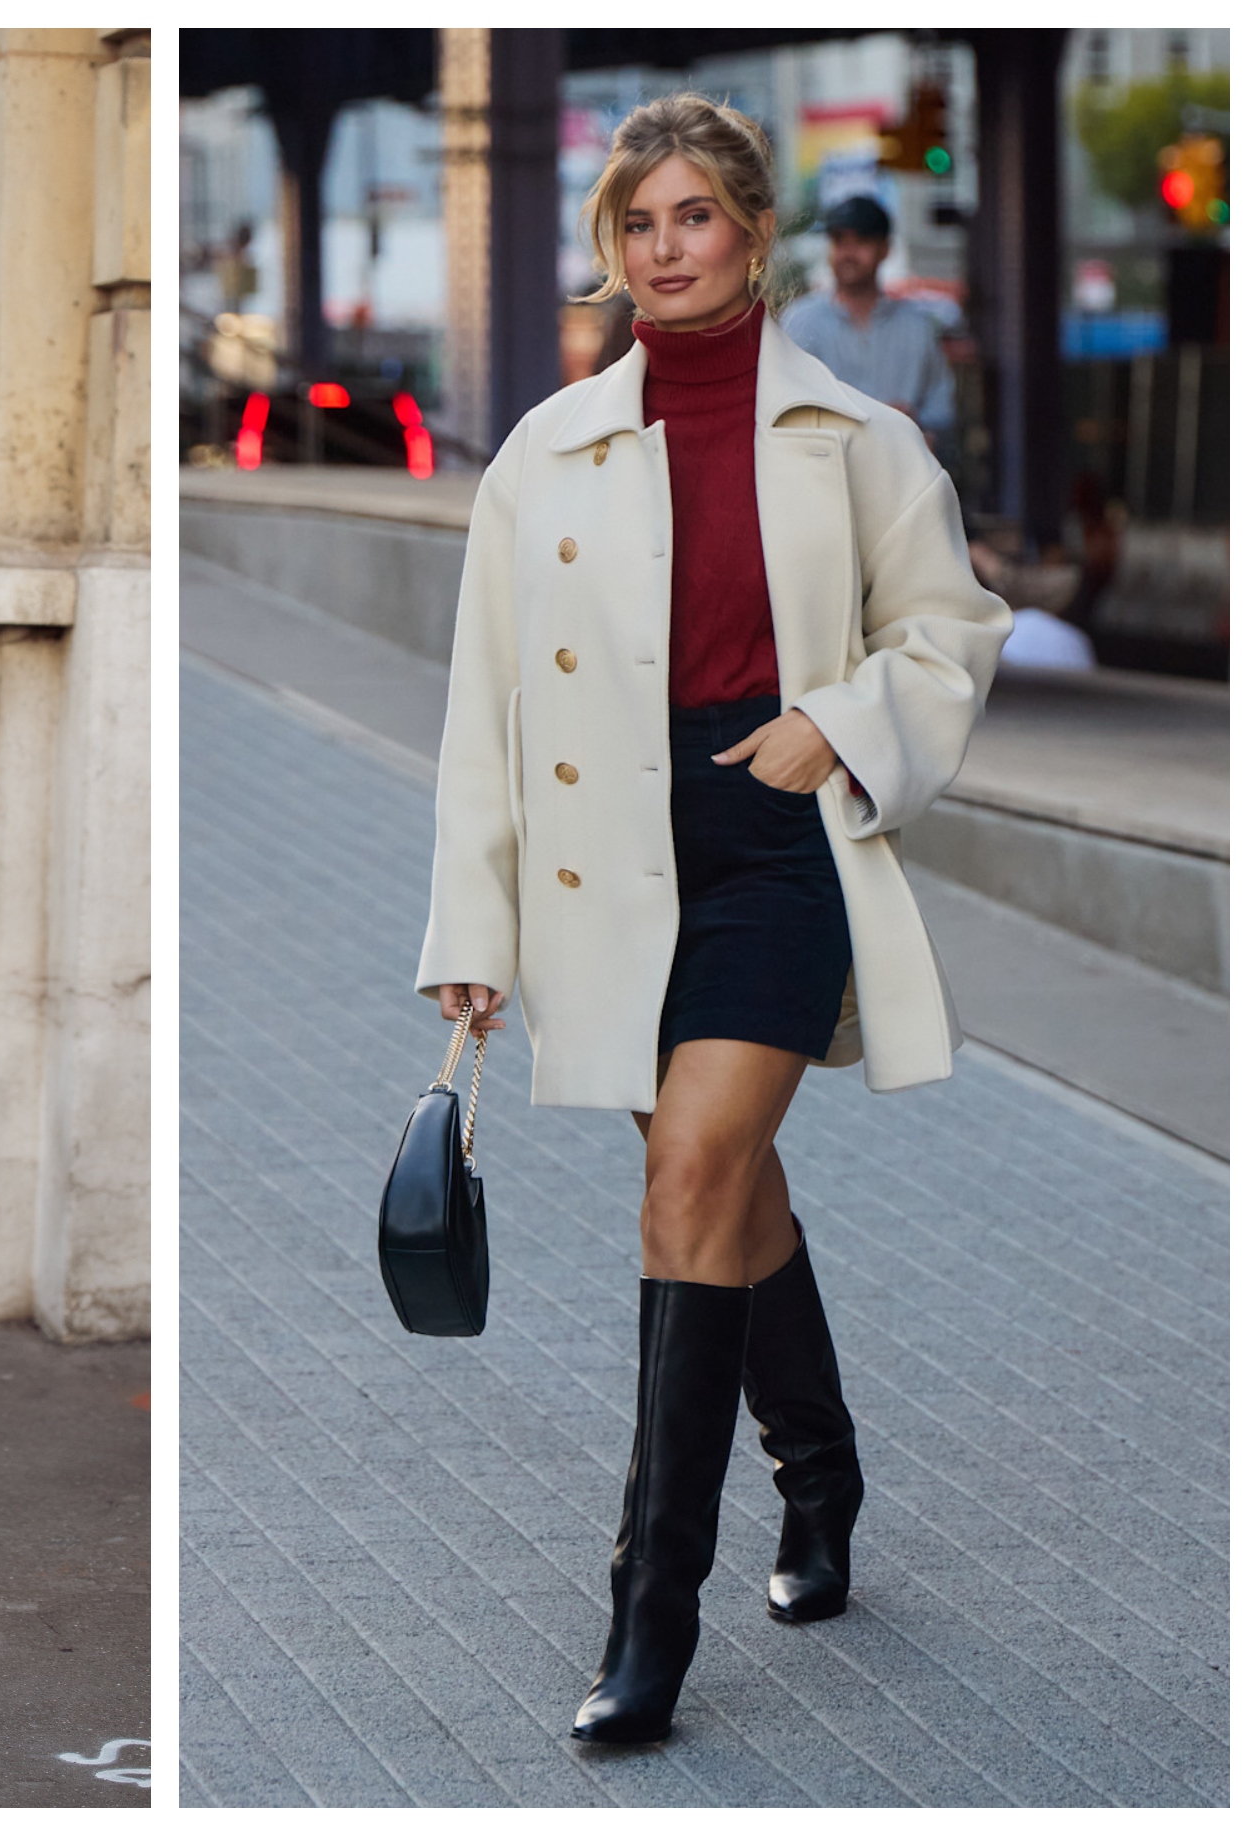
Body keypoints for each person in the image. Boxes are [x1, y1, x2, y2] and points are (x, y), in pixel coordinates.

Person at [417, 94, 1010, 1745]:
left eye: (689, 216)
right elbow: (479, 706)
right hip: (600, 856)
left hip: (768, 835)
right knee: (714, 1181)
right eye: (633, 221)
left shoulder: (854, 438)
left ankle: (645, 1618)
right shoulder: (543, 448)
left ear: (749, 232)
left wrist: (837, 721)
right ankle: (817, 1478)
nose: (659, 247)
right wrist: (468, 920)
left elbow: (951, 631)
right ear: (608, 246)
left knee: (688, 1170)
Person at [780, 193, 958, 453]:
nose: (848, 253)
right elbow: (783, 410)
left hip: (902, 477)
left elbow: (941, 411)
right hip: (825, 477)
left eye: (861, 240)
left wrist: (916, 426)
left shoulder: (917, 326)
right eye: (840, 240)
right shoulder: (800, 321)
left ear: (885, 249)